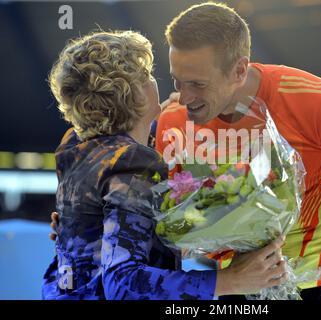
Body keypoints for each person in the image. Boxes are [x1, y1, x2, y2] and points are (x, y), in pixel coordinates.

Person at [154, 2, 321, 300]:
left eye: (198, 84)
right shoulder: (172, 122)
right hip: (228, 290)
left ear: (239, 70)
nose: (184, 98)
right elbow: (175, 222)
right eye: (178, 81)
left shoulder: (318, 103)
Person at [43, 30, 289, 300]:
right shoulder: (132, 164)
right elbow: (123, 283)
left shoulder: (74, 147)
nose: (155, 80)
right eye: (146, 75)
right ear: (133, 95)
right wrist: (228, 280)